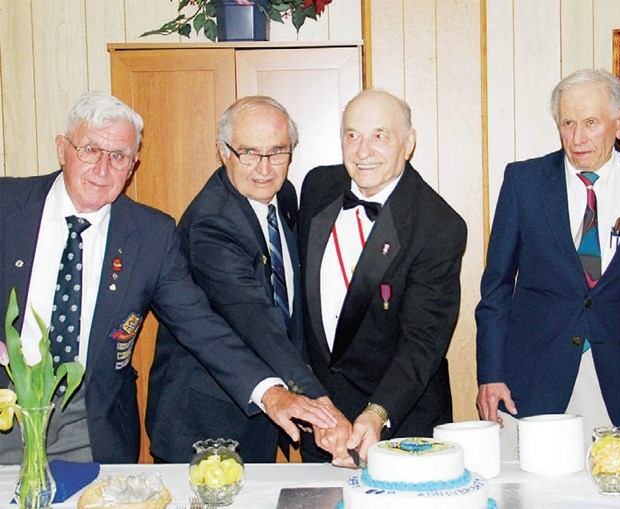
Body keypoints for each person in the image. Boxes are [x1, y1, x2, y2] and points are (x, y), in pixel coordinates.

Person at [0, 91, 338, 464]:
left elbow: (199, 325)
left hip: (90, 426)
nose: (102, 169)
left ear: (134, 165)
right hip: (6, 411)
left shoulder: (150, 235)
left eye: (118, 157)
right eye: (90, 150)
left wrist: (271, 394)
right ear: (62, 148)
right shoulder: (6, 206)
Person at [145, 96, 351, 464]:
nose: (264, 168)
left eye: (277, 152)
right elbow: (256, 319)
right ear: (223, 152)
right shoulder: (211, 223)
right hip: (204, 420)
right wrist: (320, 405)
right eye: (249, 153)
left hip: (263, 411)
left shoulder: (282, 195)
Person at [476, 69, 620, 459]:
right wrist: (490, 374)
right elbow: (496, 288)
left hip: (617, 378)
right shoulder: (524, 182)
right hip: (531, 379)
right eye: (568, 122)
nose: (578, 137)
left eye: (591, 122)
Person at [297, 89, 467, 464]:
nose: (362, 151)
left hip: (400, 423)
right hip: (323, 423)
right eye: (352, 135)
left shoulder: (438, 226)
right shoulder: (316, 188)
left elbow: (423, 341)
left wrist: (377, 414)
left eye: (380, 136)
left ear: (408, 144)